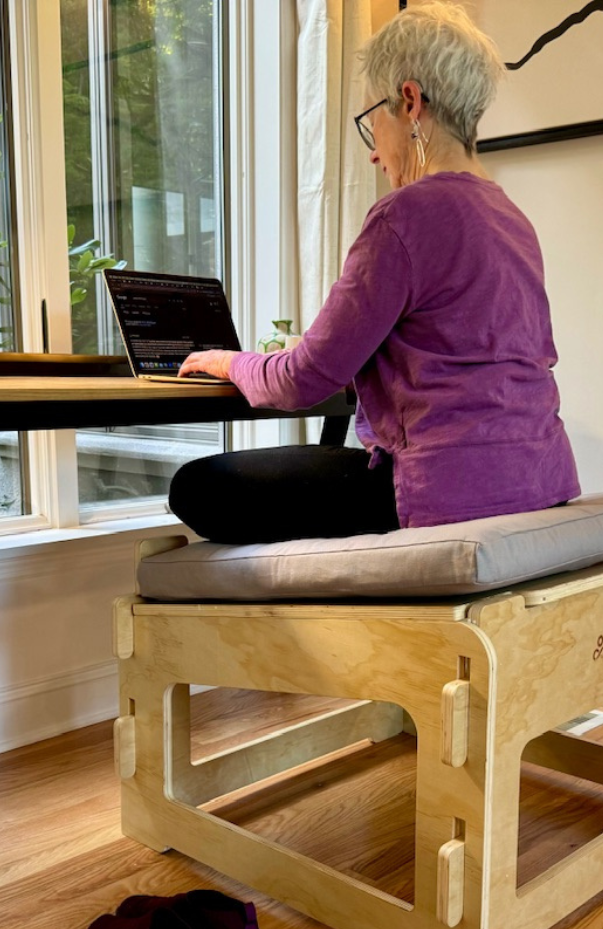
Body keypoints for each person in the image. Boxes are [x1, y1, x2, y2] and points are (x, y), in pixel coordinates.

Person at [169, 1, 580, 545]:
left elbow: (301, 381)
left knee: (198, 486)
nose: (373, 154)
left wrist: (227, 361)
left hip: (443, 492)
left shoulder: (404, 214)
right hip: (539, 480)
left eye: (371, 123)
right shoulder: (510, 216)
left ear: (409, 101)